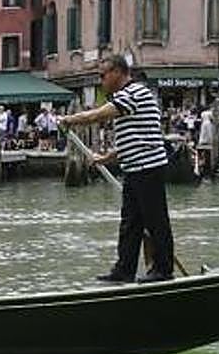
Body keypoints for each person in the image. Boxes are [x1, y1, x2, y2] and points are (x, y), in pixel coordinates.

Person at [58, 55, 175, 283]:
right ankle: (124, 269)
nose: (101, 80)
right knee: (130, 223)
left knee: (155, 221)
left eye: (103, 75)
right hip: (135, 168)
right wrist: (107, 157)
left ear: (118, 72)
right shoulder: (128, 96)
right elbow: (134, 138)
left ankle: (163, 269)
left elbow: (97, 115)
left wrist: (69, 119)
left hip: (148, 167)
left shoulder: (133, 93)